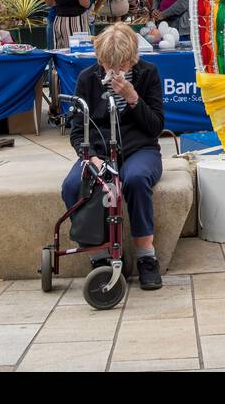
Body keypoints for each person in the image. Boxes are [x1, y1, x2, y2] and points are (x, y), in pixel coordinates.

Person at [60, 22, 166, 290]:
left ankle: (146, 256)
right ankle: (99, 256)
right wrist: (90, 157)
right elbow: (76, 130)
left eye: (122, 66)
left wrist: (133, 98)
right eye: (109, 66)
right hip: (100, 152)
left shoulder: (147, 75)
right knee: (73, 186)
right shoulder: (87, 78)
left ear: (133, 59)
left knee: (136, 179)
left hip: (139, 149)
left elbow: (156, 127)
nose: (116, 72)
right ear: (100, 60)